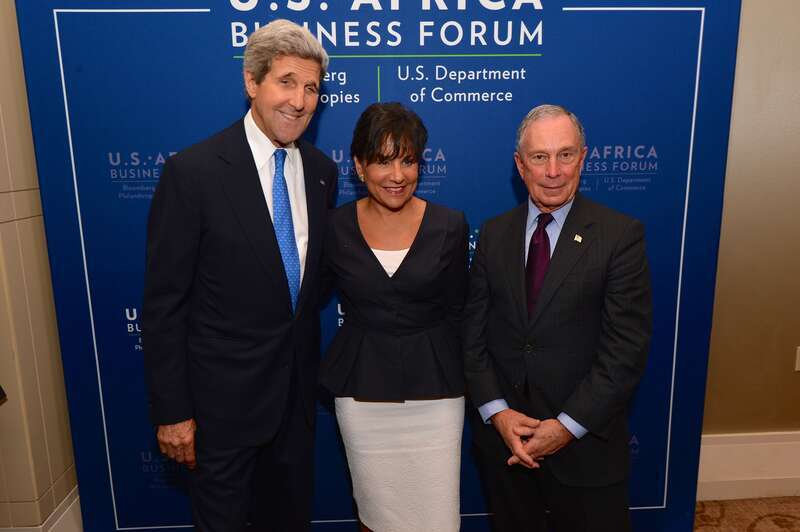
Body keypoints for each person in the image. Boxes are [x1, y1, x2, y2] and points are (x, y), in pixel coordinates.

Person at [142, 19, 337, 532]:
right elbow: (165, 304)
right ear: (252, 82)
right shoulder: (194, 172)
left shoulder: (321, 171)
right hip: (219, 414)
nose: (299, 100)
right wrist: (173, 412)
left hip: (295, 409)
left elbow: (304, 289)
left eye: (312, 87)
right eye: (286, 82)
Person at [463, 104, 652, 532]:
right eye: (539, 157)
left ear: (583, 158)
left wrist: (564, 428)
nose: (553, 171)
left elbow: (625, 351)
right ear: (519, 164)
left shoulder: (619, 236)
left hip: (587, 450)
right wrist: (499, 414)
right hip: (507, 447)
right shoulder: (494, 235)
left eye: (565, 155)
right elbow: (472, 337)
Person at [320, 102, 469, 532]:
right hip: (362, 394)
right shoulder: (334, 227)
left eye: (408, 160)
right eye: (383, 161)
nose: (398, 175)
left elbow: (460, 310)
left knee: (438, 517)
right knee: (375, 514)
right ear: (359, 165)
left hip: (437, 393)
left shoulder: (450, 225)